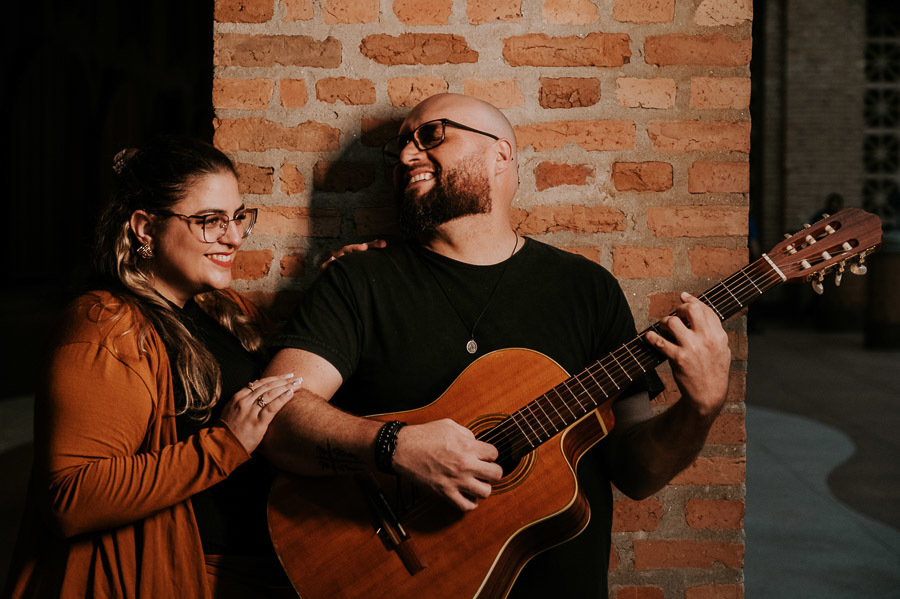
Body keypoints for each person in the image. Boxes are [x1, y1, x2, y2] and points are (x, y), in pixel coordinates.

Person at [260, 93, 732, 597]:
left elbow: (637, 474)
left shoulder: (586, 288)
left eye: (431, 135)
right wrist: (394, 445)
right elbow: (274, 417)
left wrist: (701, 408)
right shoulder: (359, 280)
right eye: (400, 146)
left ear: (500, 153)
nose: (405, 157)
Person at [3, 137, 300, 599]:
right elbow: (72, 497)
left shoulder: (226, 311)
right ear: (145, 228)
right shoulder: (106, 327)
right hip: (165, 577)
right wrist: (224, 445)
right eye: (209, 221)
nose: (235, 236)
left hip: (263, 572)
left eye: (239, 217)